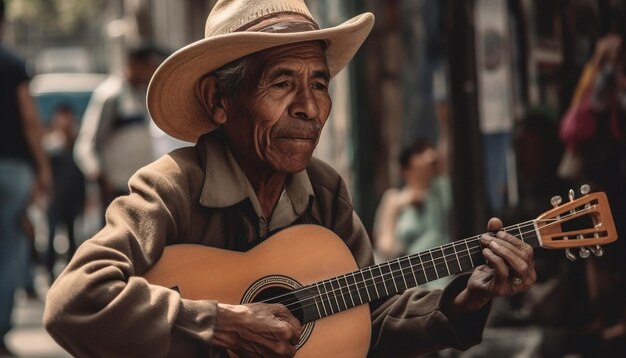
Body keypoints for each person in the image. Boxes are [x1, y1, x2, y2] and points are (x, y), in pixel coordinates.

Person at [43, 1, 536, 357]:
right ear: (220, 100)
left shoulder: (324, 193)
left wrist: (463, 301)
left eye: (319, 84)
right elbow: (73, 301)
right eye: (281, 83)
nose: (309, 107)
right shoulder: (170, 188)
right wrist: (219, 324)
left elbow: (368, 321)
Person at [0, 0, 52, 355]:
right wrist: (43, 168)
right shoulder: (13, 64)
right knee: (7, 251)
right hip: (13, 170)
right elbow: (30, 120)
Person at [73, 44, 169, 218]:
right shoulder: (111, 95)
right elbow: (87, 144)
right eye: (150, 66)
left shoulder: (143, 94)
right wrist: (100, 178)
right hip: (116, 188)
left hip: (141, 186)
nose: (153, 71)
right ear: (134, 64)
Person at [43, 103, 86, 281]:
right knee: (50, 236)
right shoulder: (51, 144)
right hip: (54, 198)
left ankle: (70, 274)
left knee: (72, 235)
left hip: (73, 197)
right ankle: (49, 273)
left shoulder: (79, 142)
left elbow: (83, 172)